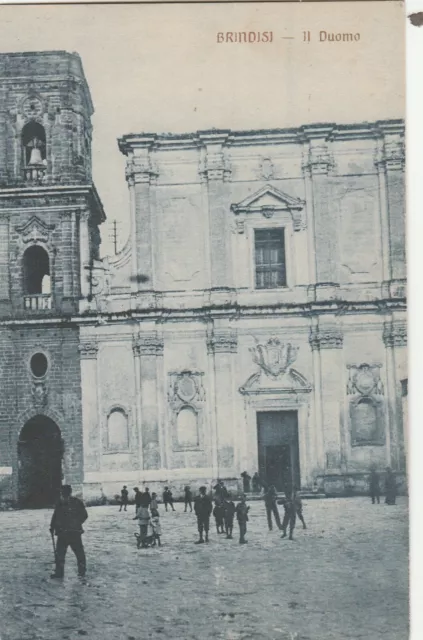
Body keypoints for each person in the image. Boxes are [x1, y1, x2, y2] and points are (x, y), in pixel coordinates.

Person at [49, 485, 88, 579]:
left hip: (72, 532)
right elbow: (55, 516)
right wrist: (52, 526)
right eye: (62, 492)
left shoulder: (76, 502)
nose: (62, 494)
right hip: (65, 533)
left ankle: (80, 572)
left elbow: (84, 515)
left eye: (64, 492)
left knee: (77, 553)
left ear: (68, 492)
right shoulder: (61, 503)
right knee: (61, 554)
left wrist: (76, 523)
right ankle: (61, 572)